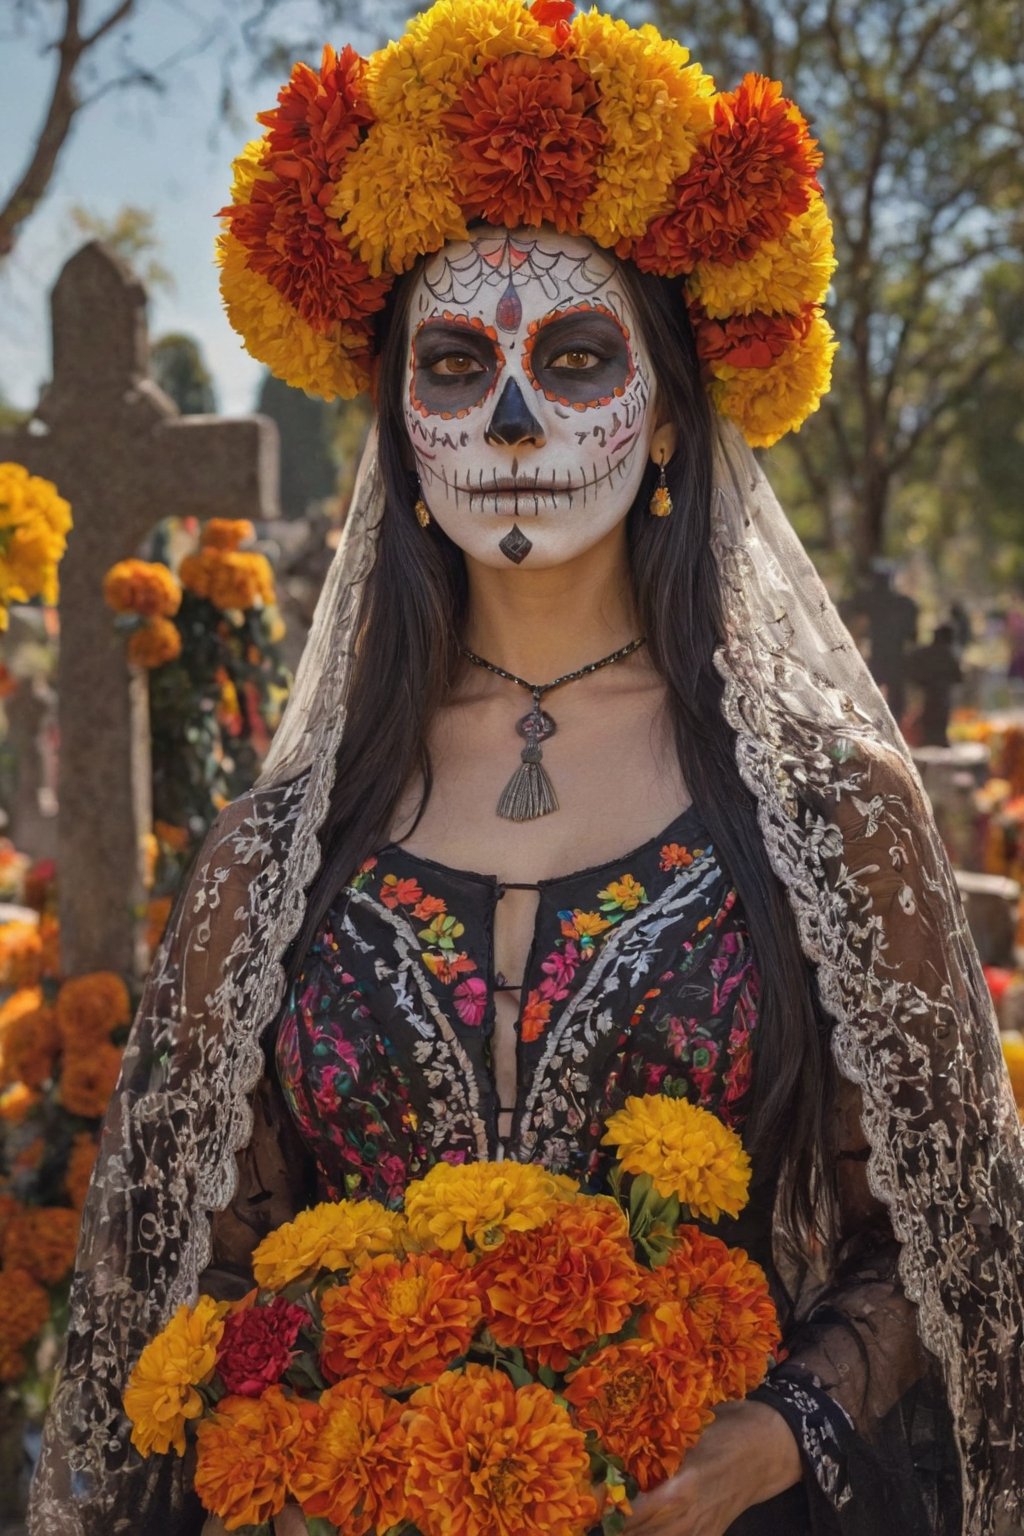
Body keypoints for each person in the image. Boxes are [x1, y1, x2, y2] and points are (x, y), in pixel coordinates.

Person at [28, 4, 1024, 1535]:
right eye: (451, 363)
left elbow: (951, 1248)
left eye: (572, 359)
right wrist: (302, 1457)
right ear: (399, 436)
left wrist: (775, 1431)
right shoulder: (277, 850)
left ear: (675, 412)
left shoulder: (830, 819)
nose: (508, 420)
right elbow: (201, 1290)